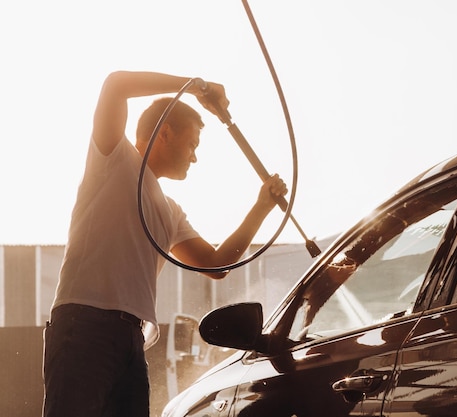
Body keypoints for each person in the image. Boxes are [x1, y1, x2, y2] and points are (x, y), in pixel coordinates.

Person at [42, 71, 287, 417]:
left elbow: (216, 265)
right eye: (192, 145)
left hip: (132, 341)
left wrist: (262, 206)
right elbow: (115, 85)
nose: (195, 157)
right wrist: (195, 85)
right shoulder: (112, 158)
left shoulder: (171, 211)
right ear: (165, 133)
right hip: (84, 325)